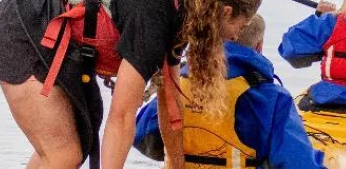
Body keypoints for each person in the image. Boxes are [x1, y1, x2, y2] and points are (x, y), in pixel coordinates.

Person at [0, 0, 261, 169]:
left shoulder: (180, 15)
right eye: (241, 25)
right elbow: (122, 117)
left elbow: (170, 101)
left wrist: (176, 163)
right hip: (21, 30)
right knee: (64, 154)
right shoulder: (155, 17)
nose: (237, 36)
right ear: (225, 12)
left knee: (67, 149)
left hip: (45, 39)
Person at [134, 13, 326, 168]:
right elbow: (299, 163)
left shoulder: (178, 84)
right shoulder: (271, 97)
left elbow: (141, 136)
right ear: (258, 47)